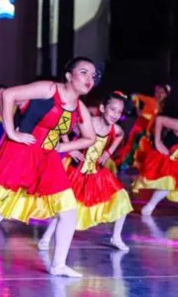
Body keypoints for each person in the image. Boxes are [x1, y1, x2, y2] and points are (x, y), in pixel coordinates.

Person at [0, 58, 100, 281]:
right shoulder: (50, 88)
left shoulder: (79, 108)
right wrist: (11, 132)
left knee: (68, 210)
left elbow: (89, 138)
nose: (90, 79)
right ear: (69, 75)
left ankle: (58, 265)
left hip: (48, 157)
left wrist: (64, 146)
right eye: (84, 72)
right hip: (22, 150)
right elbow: (8, 94)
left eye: (93, 75)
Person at [38, 92, 133, 253]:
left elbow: (120, 135)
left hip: (97, 172)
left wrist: (108, 153)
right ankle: (46, 237)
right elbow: (64, 129)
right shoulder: (88, 123)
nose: (116, 115)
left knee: (122, 199)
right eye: (112, 110)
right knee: (65, 206)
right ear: (102, 108)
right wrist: (70, 150)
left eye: (119, 112)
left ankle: (116, 237)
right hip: (76, 170)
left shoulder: (115, 129)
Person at [115, 84, 170, 172]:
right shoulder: (150, 100)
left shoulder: (161, 106)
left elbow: (153, 119)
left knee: (142, 148)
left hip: (146, 130)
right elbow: (135, 95)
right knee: (132, 146)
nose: (159, 94)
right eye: (157, 91)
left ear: (166, 95)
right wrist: (137, 109)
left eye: (162, 93)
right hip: (140, 126)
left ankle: (134, 166)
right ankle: (123, 165)